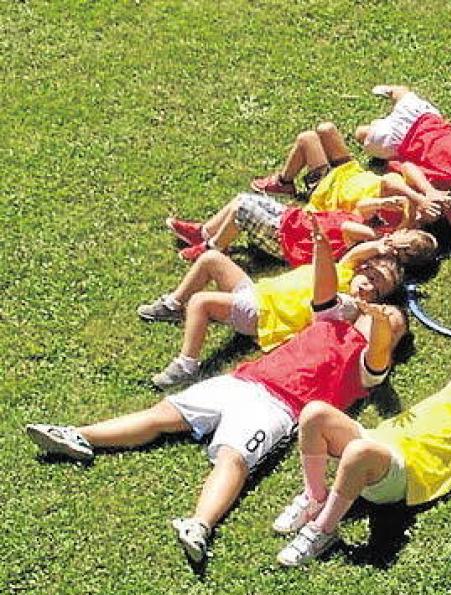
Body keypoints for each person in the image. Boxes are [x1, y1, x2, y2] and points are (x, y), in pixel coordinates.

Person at [25, 228, 409, 565]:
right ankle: (80, 436)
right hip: (241, 380)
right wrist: (323, 246)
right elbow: (325, 288)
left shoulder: (368, 368)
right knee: (162, 414)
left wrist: (380, 321)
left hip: (279, 407)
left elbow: (378, 351)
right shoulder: (329, 322)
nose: (384, 314)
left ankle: (200, 525)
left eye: (392, 321)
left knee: (233, 457)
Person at [272, 338, 451, 567]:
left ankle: (323, 530)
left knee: (359, 452)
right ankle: (314, 497)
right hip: (378, 440)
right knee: (314, 413)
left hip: (404, 472)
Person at [137, 219, 428, 389]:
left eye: (378, 289)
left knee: (201, 302)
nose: (369, 286)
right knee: (212, 259)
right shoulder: (344, 271)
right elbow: (359, 254)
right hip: (258, 293)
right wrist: (382, 247)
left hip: (264, 315)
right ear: (363, 268)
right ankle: (174, 304)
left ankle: (187, 365)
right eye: (372, 276)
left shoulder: (346, 302)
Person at [248, 121, 443, 222]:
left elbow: (388, 184)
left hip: (328, 189)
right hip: (351, 172)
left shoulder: (403, 216)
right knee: (326, 129)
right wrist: (428, 192)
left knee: (306, 139)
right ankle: (284, 182)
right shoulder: (418, 192)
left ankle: (283, 183)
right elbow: (408, 166)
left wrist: (420, 201)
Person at [164, 189, 410, 265]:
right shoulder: (380, 230)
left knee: (243, 210)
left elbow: (348, 226)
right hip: (294, 220)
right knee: (242, 198)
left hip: (289, 242)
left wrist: (381, 235)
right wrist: (383, 202)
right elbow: (361, 208)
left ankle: (212, 248)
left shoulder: (370, 241)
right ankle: (204, 232)